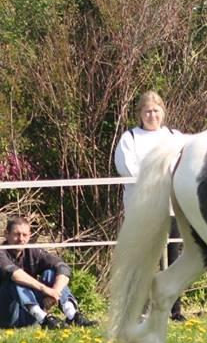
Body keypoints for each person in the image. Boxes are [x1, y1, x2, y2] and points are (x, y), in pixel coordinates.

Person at [114, 90, 188, 321]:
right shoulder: (130, 138)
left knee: (173, 259)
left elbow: (185, 164)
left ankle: (174, 310)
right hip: (143, 208)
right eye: (147, 111)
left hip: (172, 208)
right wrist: (158, 179)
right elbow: (128, 168)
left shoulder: (175, 137)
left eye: (156, 110)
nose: (152, 115)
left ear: (163, 112)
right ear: (140, 114)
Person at [0, 216, 96, 328]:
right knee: (15, 280)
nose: (21, 239)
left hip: (29, 315)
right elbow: (14, 273)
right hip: (7, 315)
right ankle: (45, 319)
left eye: (25, 235)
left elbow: (63, 267)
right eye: (17, 234)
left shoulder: (33, 252)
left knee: (51, 273)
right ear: (6, 234)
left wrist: (54, 292)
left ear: (30, 235)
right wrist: (45, 289)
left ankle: (72, 315)